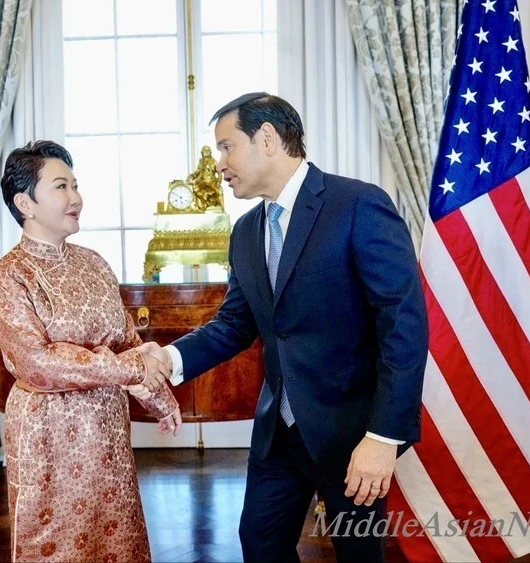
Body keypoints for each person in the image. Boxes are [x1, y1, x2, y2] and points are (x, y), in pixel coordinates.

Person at [144, 93, 429, 562]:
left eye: (227, 147)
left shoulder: (358, 205)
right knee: (260, 545)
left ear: (268, 139)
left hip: (352, 436)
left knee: (359, 556)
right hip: (278, 433)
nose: (219, 164)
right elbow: (235, 324)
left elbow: (404, 327)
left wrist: (383, 438)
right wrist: (168, 358)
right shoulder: (244, 231)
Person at [0, 140, 183, 563]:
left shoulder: (94, 263)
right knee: (58, 543)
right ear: (25, 203)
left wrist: (160, 398)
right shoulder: (8, 277)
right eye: (61, 187)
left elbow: (126, 340)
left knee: (117, 536)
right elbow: (37, 363)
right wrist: (131, 370)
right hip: (48, 432)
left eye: (75, 185)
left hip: (107, 429)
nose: (76, 198)